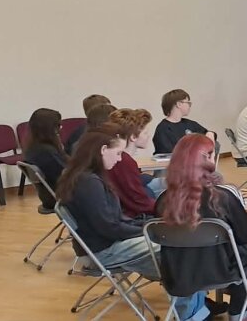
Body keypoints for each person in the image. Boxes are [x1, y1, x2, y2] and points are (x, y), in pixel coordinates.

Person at [55, 128, 206, 318]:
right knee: (182, 253)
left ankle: (197, 309)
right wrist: (149, 231)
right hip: (105, 250)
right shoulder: (89, 183)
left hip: (105, 244)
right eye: (118, 153)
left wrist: (148, 226)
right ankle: (192, 314)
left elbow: (114, 222)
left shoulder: (83, 176)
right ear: (103, 150)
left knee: (182, 251)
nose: (120, 159)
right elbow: (110, 227)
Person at [156, 134, 247, 321]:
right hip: (224, 270)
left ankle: (197, 315)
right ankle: (240, 314)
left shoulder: (163, 200)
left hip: (179, 273)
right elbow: (245, 236)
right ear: (208, 159)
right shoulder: (224, 197)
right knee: (245, 251)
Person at [104, 109, 160, 220]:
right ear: (133, 137)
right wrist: (166, 209)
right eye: (145, 133)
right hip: (131, 217)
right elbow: (139, 202)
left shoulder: (120, 158)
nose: (148, 136)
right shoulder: (124, 162)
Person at [24, 108, 67, 211]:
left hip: (48, 195)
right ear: (49, 128)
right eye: (58, 125)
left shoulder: (33, 148)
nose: (60, 129)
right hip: (60, 196)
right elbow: (66, 174)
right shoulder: (46, 152)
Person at [153, 89, 216, 155]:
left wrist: (210, 133)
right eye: (188, 103)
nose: (189, 106)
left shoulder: (189, 124)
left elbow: (207, 133)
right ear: (179, 104)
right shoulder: (162, 129)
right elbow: (169, 154)